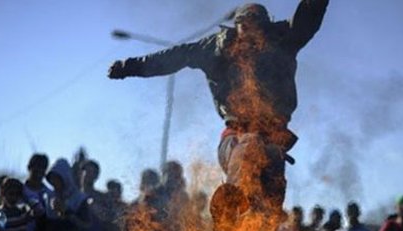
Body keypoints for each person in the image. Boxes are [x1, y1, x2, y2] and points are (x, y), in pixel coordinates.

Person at [108, 0, 329, 213]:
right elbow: (176, 56)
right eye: (246, 28)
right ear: (237, 27)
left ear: (267, 28)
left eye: (258, 29)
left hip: (275, 142)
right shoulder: (217, 48)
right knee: (251, 147)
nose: (252, 37)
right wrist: (131, 66)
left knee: (270, 207)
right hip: (235, 140)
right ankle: (230, 206)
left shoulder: (284, 41)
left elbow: (308, 15)